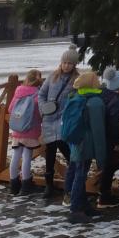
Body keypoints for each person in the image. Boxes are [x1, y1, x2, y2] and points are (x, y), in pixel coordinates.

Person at [64, 70, 107, 224]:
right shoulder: (94, 102)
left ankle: (83, 206)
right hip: (85, 143)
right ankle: (75, 209)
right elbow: (98, 131)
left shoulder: (75, 96)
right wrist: (101, 159)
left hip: (74, 141)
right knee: (80, 174)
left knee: (78, 171)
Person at [38, 46, 79, 201]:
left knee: (68, 151)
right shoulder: (52, 76)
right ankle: (49, 185)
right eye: (64, 62)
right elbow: (41, 94)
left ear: (74, 65)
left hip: (64, 121)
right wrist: (43, 108)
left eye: (70, 63)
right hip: (49, 120)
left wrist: (70, 113)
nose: (66, 65)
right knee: (50, 152)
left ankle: (73, 182)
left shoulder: (76, 80)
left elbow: (78, 99)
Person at [96, 66, 119, 208]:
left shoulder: (102, 95)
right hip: (111, 139)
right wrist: (118, 142)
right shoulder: (116, 101)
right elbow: (116, 124)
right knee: (110, 166)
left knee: (105, 166)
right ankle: (104, 196)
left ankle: (102, 192)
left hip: (100, 137)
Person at [7, 69, 43, 196]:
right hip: (30, 129)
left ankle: (14, 185)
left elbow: (10, 109)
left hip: (17, 128)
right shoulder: (37, 93)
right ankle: (26, 186)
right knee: (27, 157)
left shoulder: (19, 91)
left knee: (16, 156)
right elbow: (40, 113)